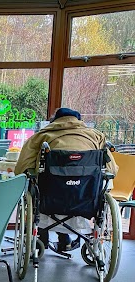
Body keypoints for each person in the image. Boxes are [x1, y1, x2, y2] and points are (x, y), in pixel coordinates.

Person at [14, 107, 118, 252]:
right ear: (79, 120)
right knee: (72, 189)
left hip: (49, 199)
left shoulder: (41, 136)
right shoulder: (96, 136)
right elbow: (112, 169)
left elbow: (22, 168)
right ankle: (65, 240)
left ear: (54, 120)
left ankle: (41, 237)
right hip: (85, 198)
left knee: (37, 188)